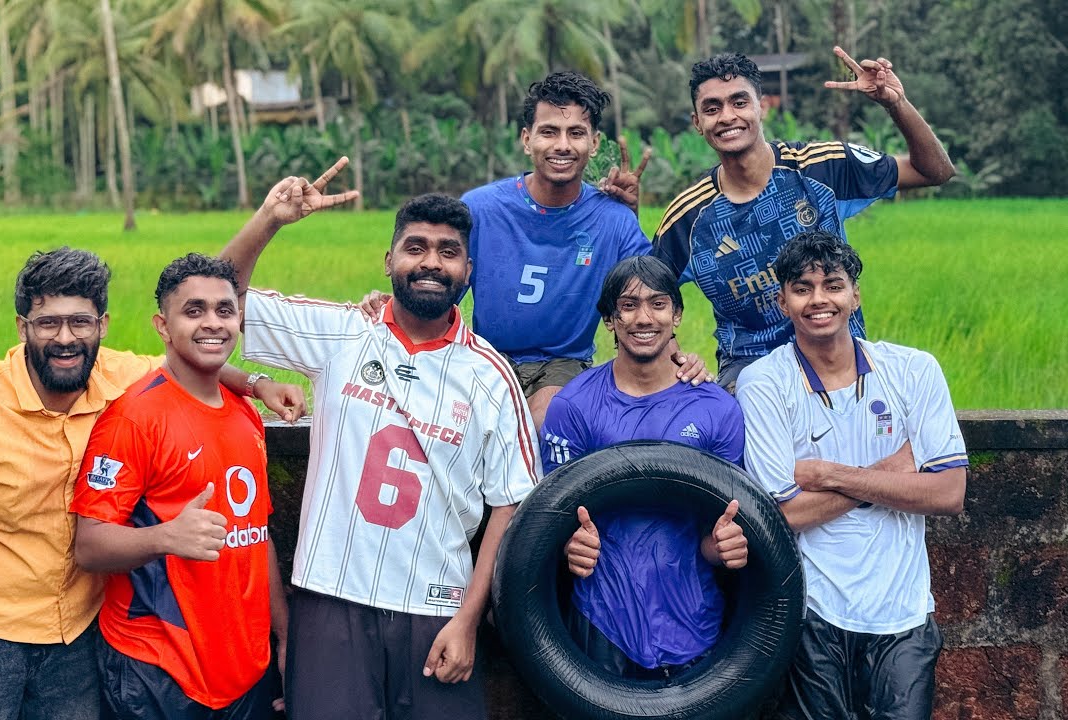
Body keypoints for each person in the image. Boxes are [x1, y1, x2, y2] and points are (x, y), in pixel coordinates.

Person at [0, 247, 302, 720]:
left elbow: (193, 350)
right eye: (48, 324)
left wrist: (258, 384)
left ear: (102, 326)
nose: (65, 339)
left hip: (78, 634)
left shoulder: (116, 374)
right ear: (23, 326)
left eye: (80, 323)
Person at [220, 172, 540, 720]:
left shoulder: (490, 374)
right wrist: (270, 218)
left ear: (469, 270)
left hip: (436, 610)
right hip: (330, 597)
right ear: (388, 261)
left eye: (449, 252)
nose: (431, 263)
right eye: (415, 247)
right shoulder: (343, 332)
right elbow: (220, 299)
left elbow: (512, 506)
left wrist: (467, 620)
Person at [361, 71, 708, 429]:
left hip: (563, 362)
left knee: (546, 420)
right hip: (487, 355)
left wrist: (679, 359)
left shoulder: (613, 219)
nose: (562, 145)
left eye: (575, 133)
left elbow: (648, 295)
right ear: (527, 140)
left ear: (594, 142)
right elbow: (438, 284)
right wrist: (388, 307)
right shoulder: (481, 208)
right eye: (548, 132)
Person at [736, 230, 967, 719]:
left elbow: (948, 491)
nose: (819, 300)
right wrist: (894, 471)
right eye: (802, 288)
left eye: (833, 285)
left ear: (855, 295)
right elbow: (785, 514)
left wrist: (827, 474)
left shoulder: (913, 371)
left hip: (902, 610)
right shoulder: (763, 383)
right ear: (782, 302)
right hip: (812, 611)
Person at [654, 49, 955, 391]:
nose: (727, 117)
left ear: (761, 107)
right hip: (749, 371)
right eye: (712, 108)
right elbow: (641, 294)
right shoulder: (688, 219)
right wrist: (679, 357)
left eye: (739, 102)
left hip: (839, 355)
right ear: (697, 123)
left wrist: (894, 104)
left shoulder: (822, 167)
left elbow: (934, 171)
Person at [71, 254, 287, 720]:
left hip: (245, 666)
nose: (213, 323)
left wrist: (285, 635)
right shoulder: (133, 418)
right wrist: (165, 537)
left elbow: (257, 532)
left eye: (224, 310)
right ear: (163, 326)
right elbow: (88, 547)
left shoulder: (246, 412)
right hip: (160, 668)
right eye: (194, 311)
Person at [541, 255, 747, 679]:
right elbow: (550, 519)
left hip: (694, 615)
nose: (643, 318)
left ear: (677, 314)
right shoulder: (572, 407)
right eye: (629, 305)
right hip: (601, 619)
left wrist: (723, 547)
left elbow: (723, 523)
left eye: (657, 303)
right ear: (610, 321)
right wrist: (567, 547)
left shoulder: (717, 410)